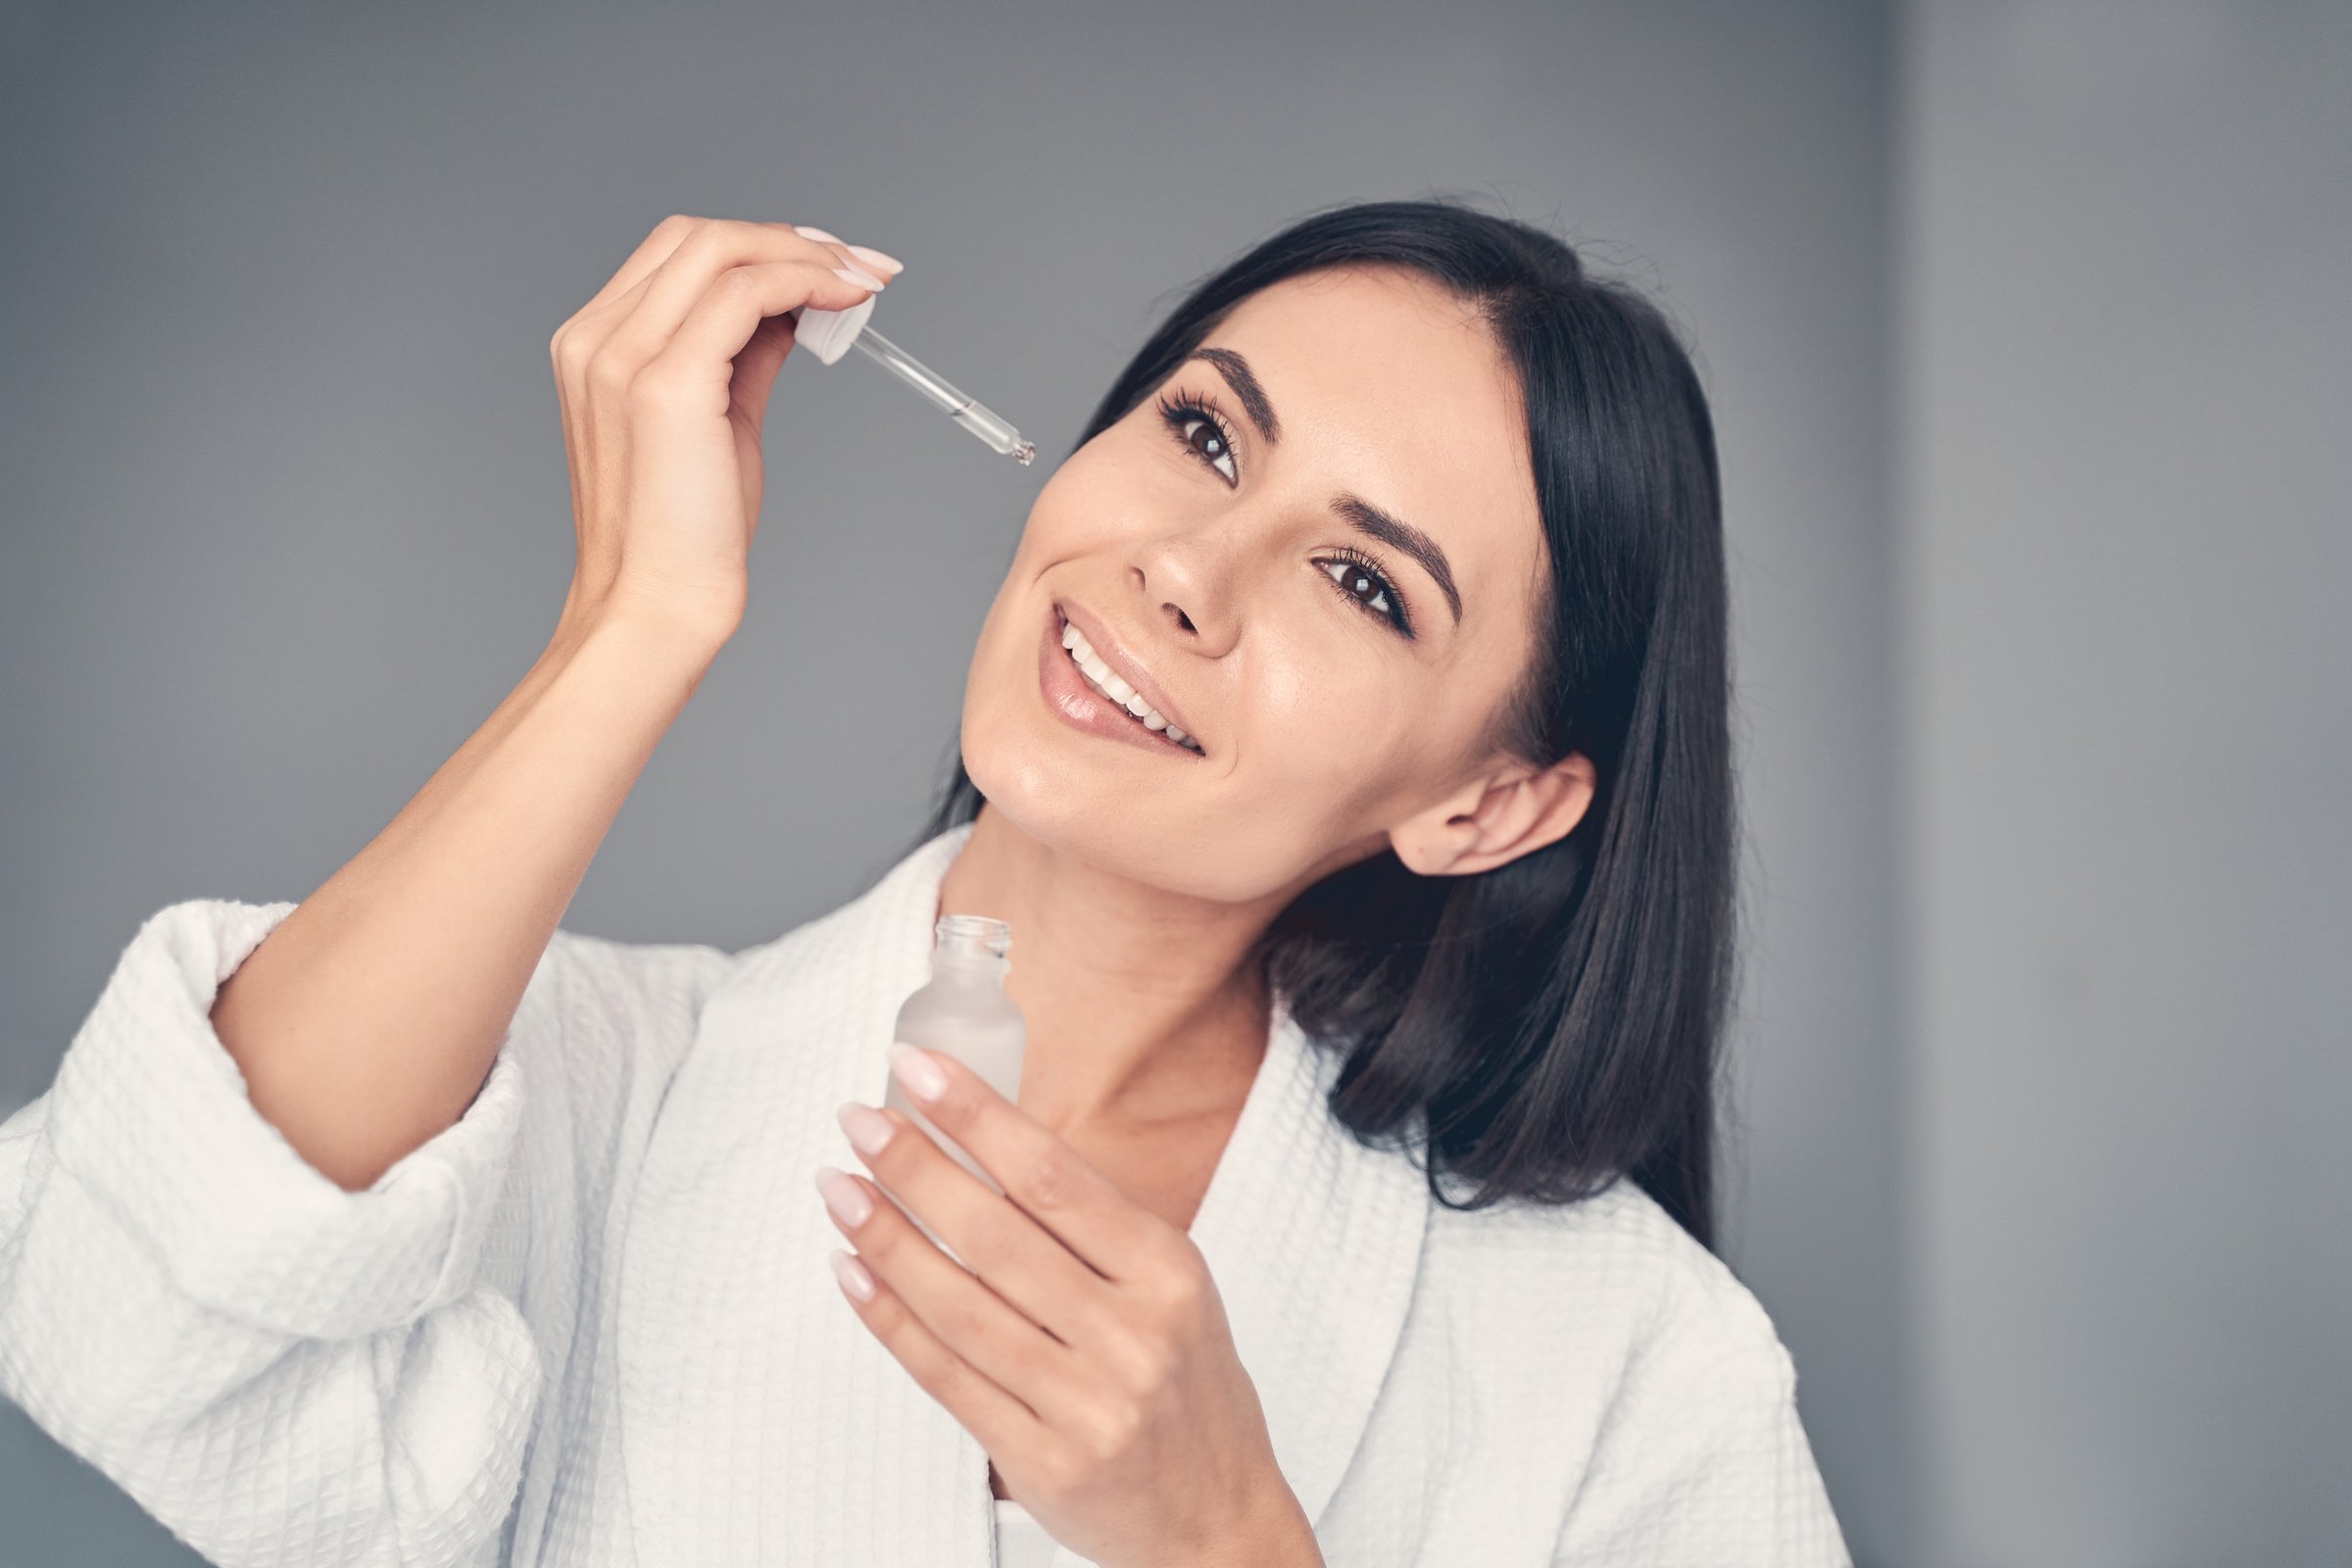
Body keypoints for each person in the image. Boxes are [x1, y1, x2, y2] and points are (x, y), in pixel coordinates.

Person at [0, 198, 1851, 1567]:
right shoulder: (602, 1102)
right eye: (1203, 435)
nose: (1187, 570)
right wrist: (630, 625)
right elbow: (125, 1303)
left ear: (1489, 805)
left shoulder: (1632, 1365)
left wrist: (1223, 1537)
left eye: (1362, 584)